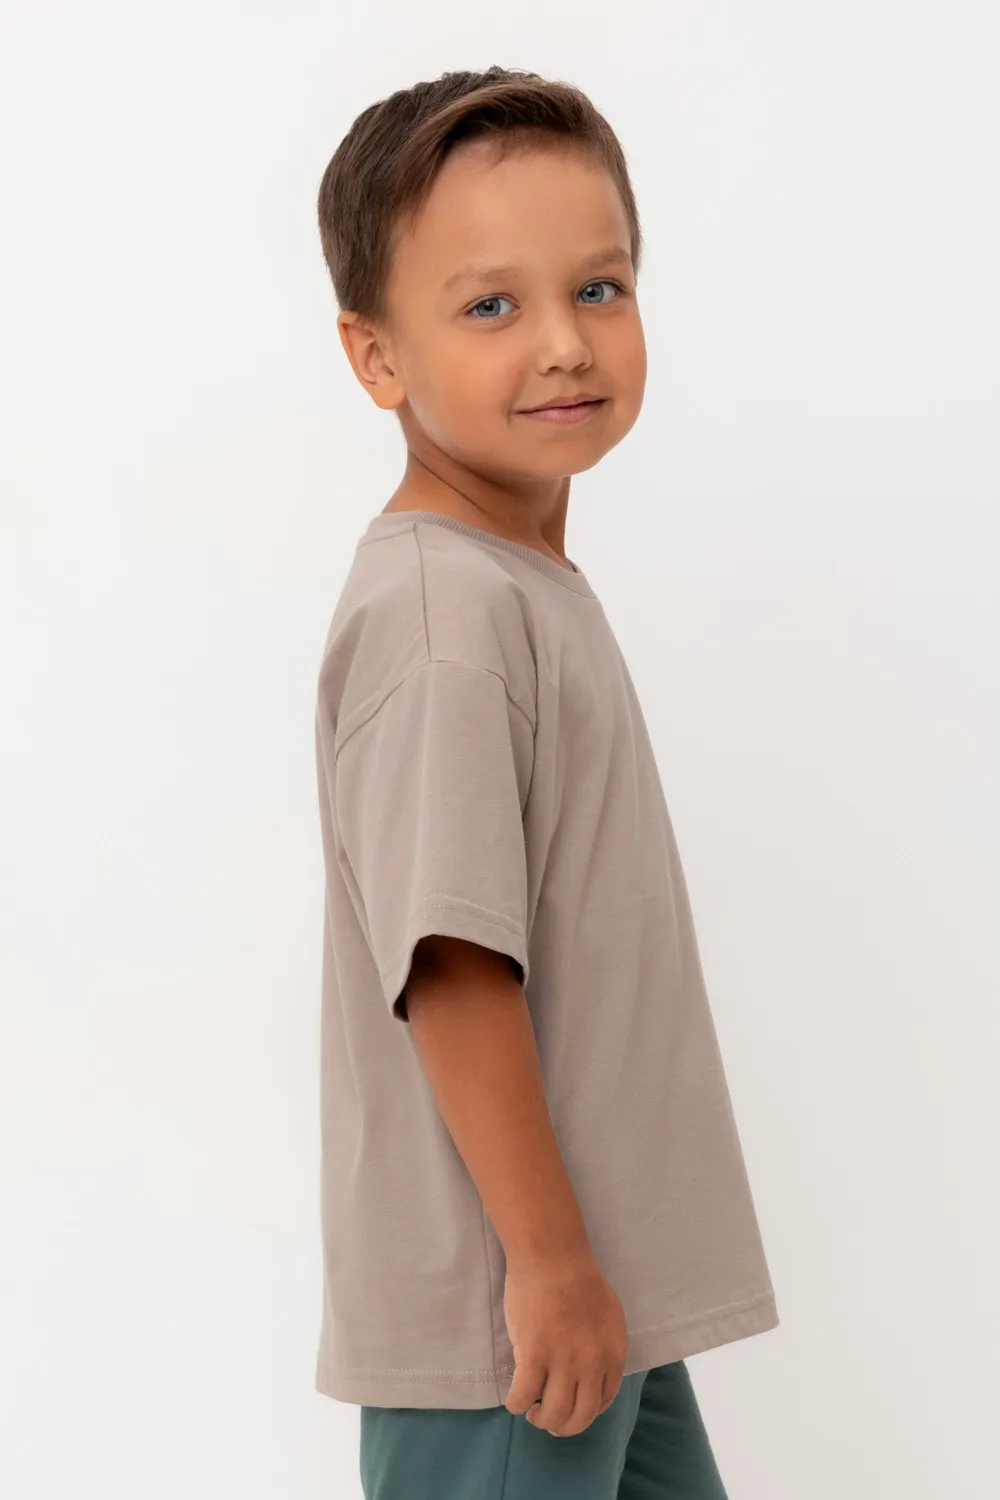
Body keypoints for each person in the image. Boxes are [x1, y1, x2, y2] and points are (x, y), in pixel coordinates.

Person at [312, 66, 780, 1499]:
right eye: (491, 306)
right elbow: (453, 963)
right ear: (377, 357)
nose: (566, 343)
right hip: (516, 1319)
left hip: (593, 1288)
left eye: (599, 288)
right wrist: (550, 1260)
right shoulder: (445, 619)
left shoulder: (514, 582)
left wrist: (586, 1266)